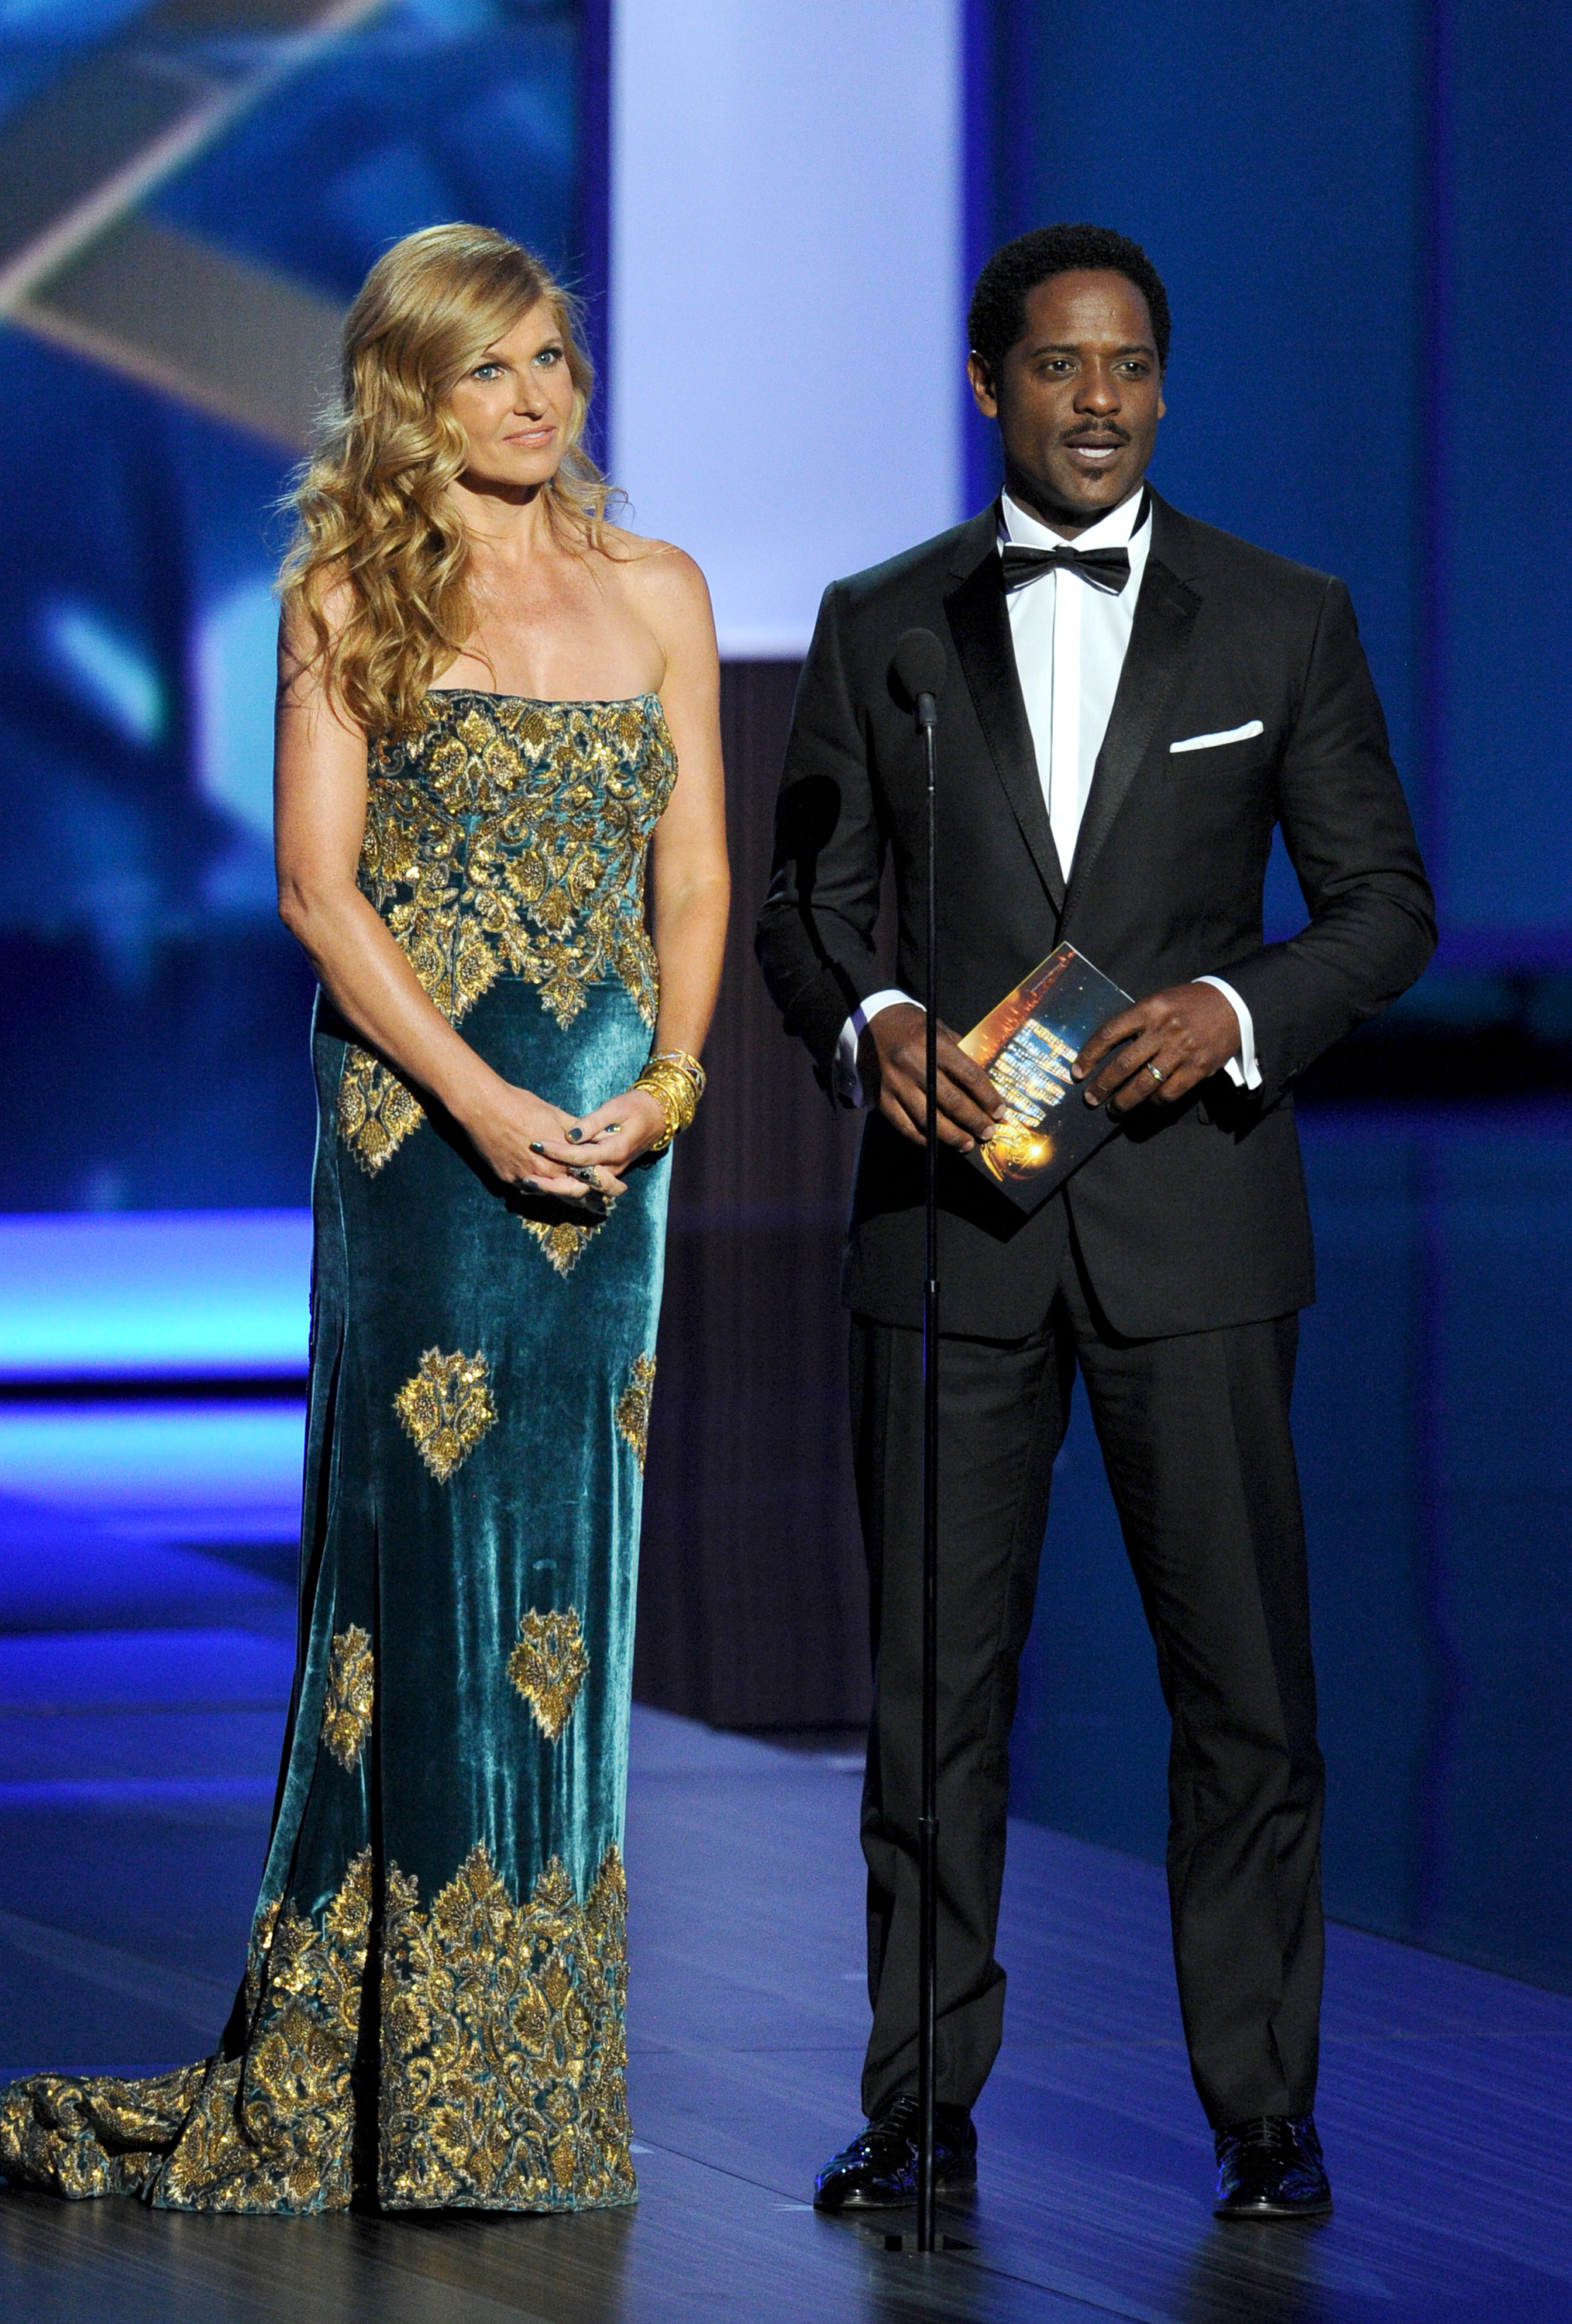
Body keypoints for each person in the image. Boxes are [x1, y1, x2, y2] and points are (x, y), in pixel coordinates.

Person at [0, 222, 728, 2214]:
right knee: (430, 1587)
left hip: (615, 1171)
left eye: (555, 360)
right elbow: (324, 894)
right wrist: (488, 1105)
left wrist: (661, 1093)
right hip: (423, 1145)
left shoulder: (661, 588)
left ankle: (536, 2094)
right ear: (410, 390)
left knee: (579, 1589)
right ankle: (397, 2076)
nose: (537, 398)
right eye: (491, 369)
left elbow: (694, 885)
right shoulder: (344, 595)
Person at [755, 222, 1434, 2222]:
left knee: (1240, 1694)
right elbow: (810, 909)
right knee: (927, 1699)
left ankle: (1262, 2112)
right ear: (990, 387)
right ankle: (920, 2106)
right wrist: (874, 1026)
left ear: (1161, 383)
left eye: (1130, 365)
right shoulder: (878, 621)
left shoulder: (1278, 618)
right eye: (1058, 366)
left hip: (1198, 1231)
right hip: (948, 1234)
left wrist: (1236, 1012)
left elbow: (1381, 905)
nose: (1098, 399)